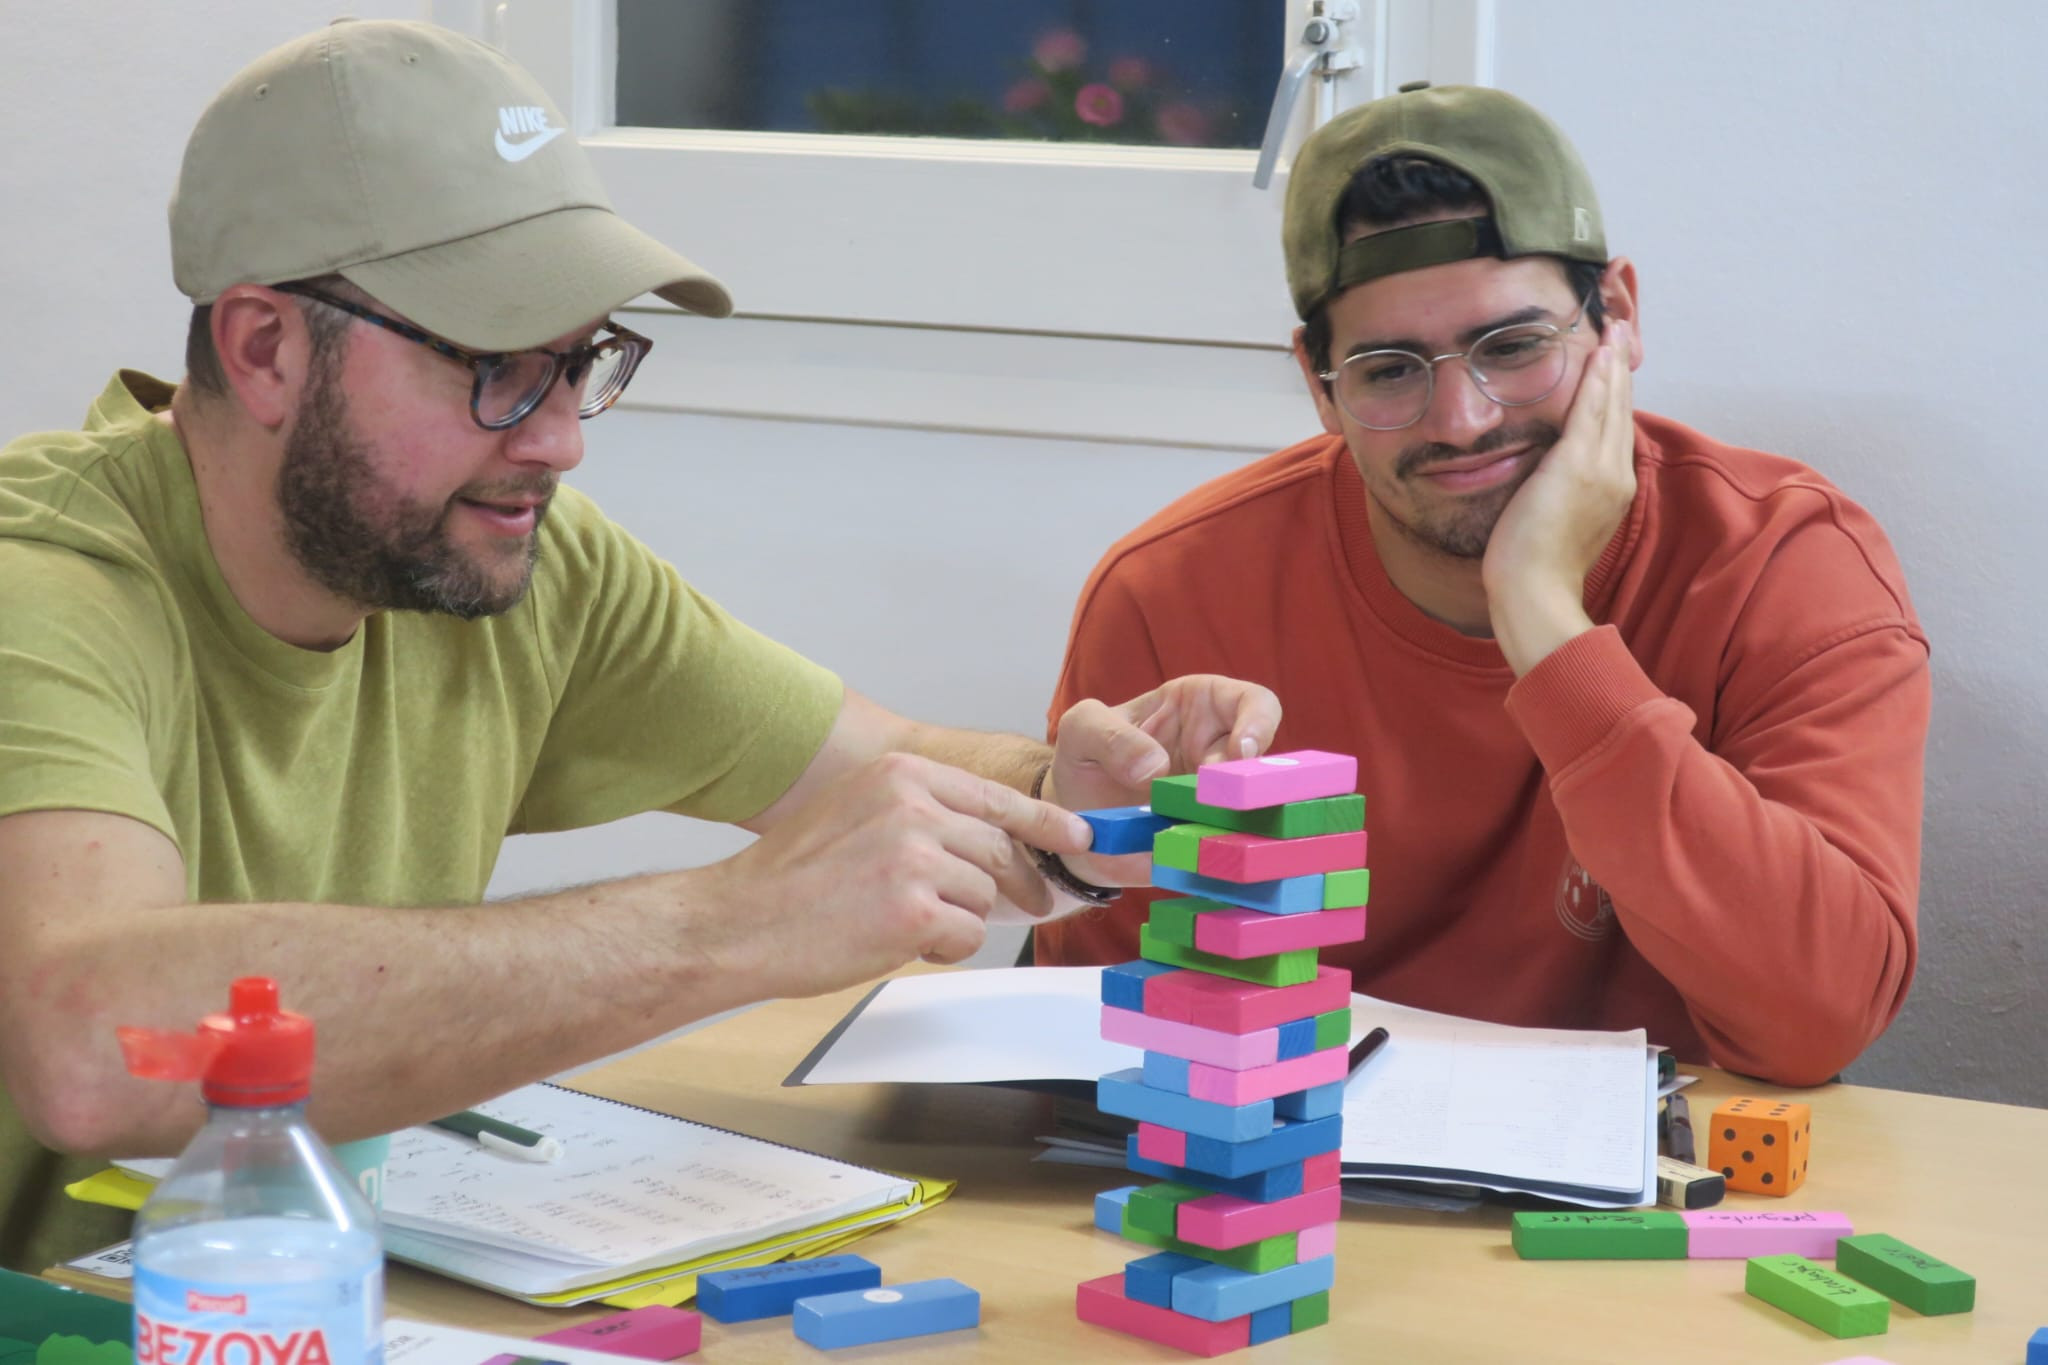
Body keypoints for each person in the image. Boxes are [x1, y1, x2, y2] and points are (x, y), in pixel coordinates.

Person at [0, 19, 1279, 1272]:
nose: (559, 439)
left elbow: (879, 770)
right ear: (265, 347)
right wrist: (727, 926)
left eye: (580, 362)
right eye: (498, 364)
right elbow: (92, 1047)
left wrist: (1069, 803)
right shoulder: (41, 592)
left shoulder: (507, 557)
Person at [1037, 83, 1929, 1089]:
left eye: (1511, 347)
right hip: (1286, 1194)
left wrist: (1544, 615)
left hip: (1639, 1214)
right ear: (1316, 384)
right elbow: (1084, 1026)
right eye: (1387, 370)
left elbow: (1819, 1019)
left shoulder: (1782, 564)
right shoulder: (1174, 589)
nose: (1460, 419)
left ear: (1618, 320)